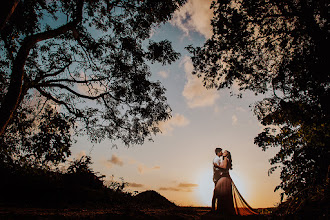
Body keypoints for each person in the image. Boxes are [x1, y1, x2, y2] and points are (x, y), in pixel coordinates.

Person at [214, 150, 259, 216]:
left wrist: (217, 166)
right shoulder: (224, 159)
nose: (223, 152)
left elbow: (224, 167)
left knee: (222, 194)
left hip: (225, 178)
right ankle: (223, 211)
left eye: (225, 152)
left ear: (227, 154)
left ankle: (223, 211)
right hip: (224, 177)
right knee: (222, 194)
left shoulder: (226, 159)